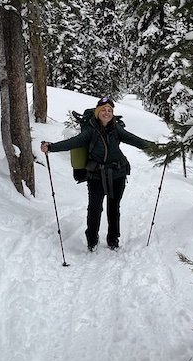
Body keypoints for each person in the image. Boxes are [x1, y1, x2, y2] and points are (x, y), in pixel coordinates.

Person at [40, 96, 149, 251]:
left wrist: (156, 149)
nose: (107, 113)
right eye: (103, 110)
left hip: (118, 173)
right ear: (98, 112)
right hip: (96, 175)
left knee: (114, 207)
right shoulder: (90, 130)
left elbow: (134, 139)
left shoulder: (115, 128)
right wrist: (51, 147)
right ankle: (92, 240)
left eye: (110, 110)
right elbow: (72, 142)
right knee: (95, 208)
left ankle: (113, 239)